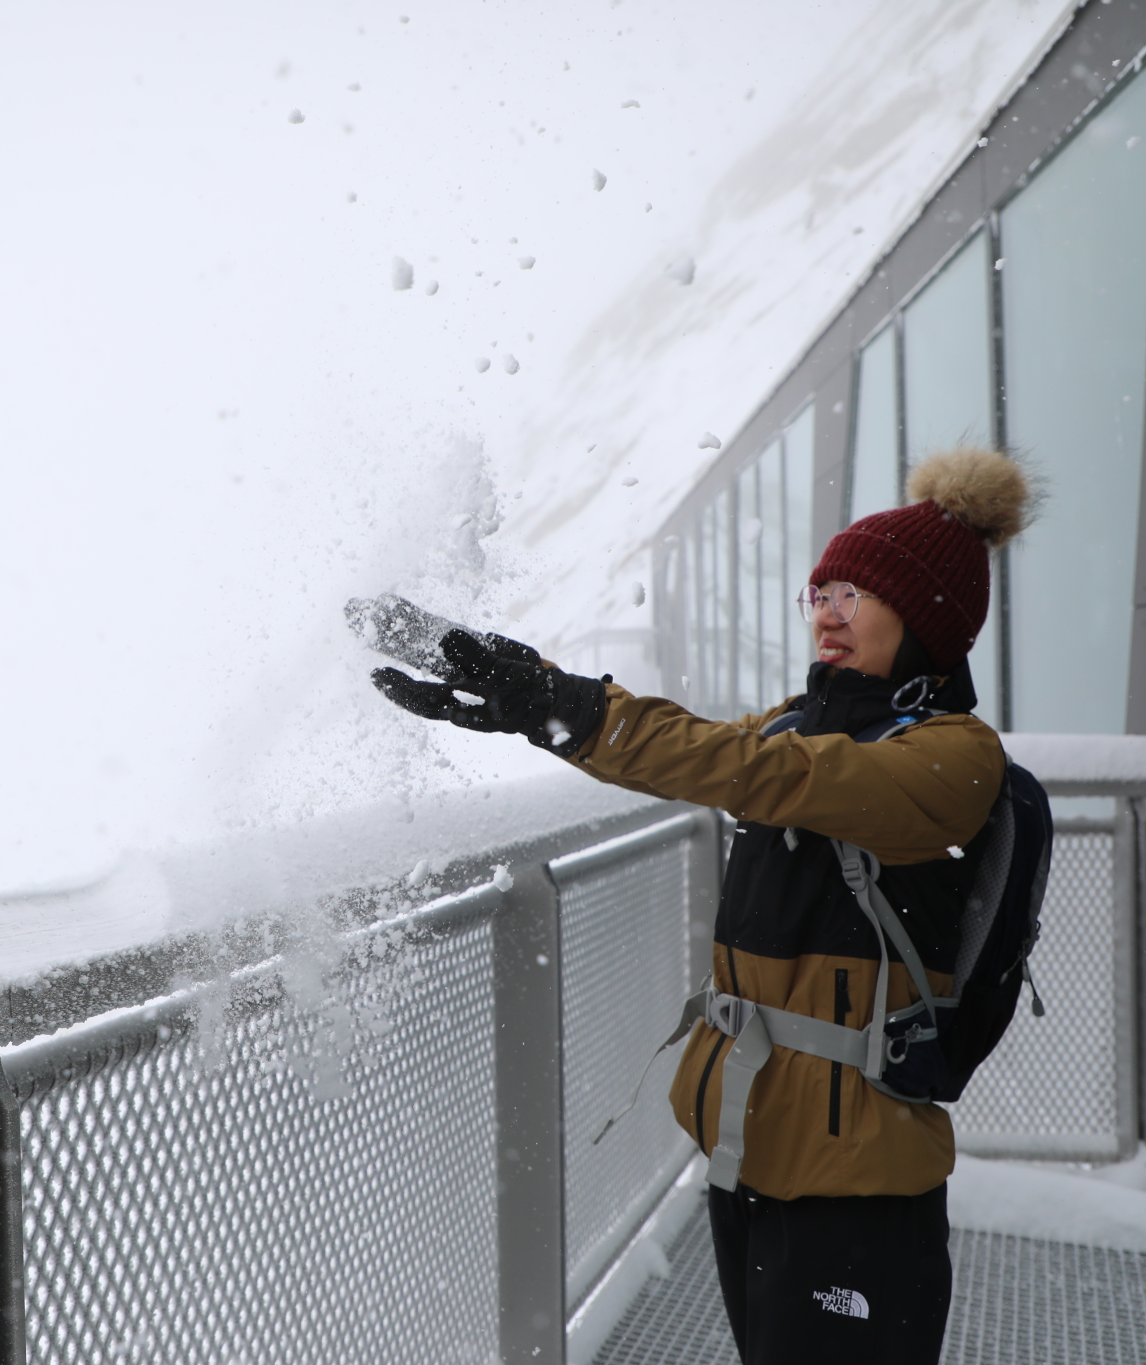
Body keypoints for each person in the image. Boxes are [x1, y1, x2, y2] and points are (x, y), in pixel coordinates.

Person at [368, 447, 1037, 1365]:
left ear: (923, 613)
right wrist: (532, 701)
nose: (828, 614)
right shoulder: (801, 721)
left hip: (859, 1182)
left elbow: (757, 775)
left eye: (856, 594)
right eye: (820, 591)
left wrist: (560, 702)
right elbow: (688, 744)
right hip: (753, 1153)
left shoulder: (952, 754)